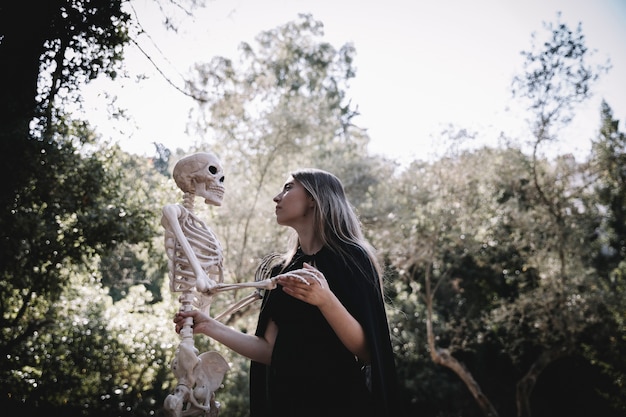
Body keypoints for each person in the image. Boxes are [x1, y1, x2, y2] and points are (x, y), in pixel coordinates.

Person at [174, 168, 400, 417]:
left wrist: (325, 301)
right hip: (285, 404)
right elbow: (268, 349)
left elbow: (369, 351)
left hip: (339, 403)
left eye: (288, 187)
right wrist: (208, 326)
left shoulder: (352, 258)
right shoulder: (282, 270)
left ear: (314, 198)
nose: (277, 197)